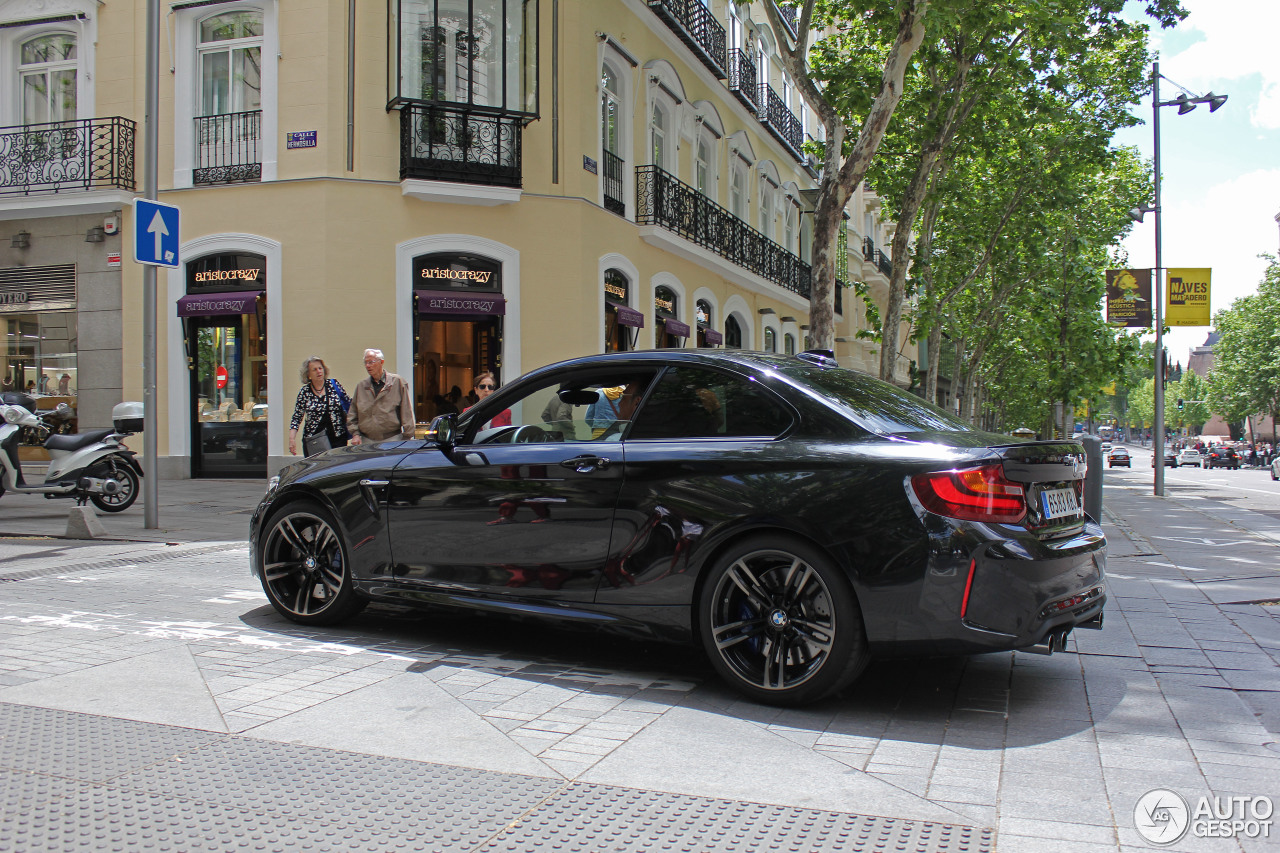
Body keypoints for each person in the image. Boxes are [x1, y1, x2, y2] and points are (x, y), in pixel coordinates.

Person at [347, 348, 415, 444]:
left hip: (392, 439)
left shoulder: (397, 382)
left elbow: (406, 411)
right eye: (365, 363)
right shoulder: (361, 387)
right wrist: (355, 434)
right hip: (367, 440)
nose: (367, 366)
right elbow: (352, 414)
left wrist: (407, 437)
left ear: (381, 362)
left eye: (371, 362)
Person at [288, 356, 351, 456]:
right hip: (315, 441)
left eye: (320, 368)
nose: (318, 371)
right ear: (308, 375)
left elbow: (349, 406)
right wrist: (292, 439)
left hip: (338, 438)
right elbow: (297, 417)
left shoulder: (334, 385)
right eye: (314, 370)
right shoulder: (305, 392)